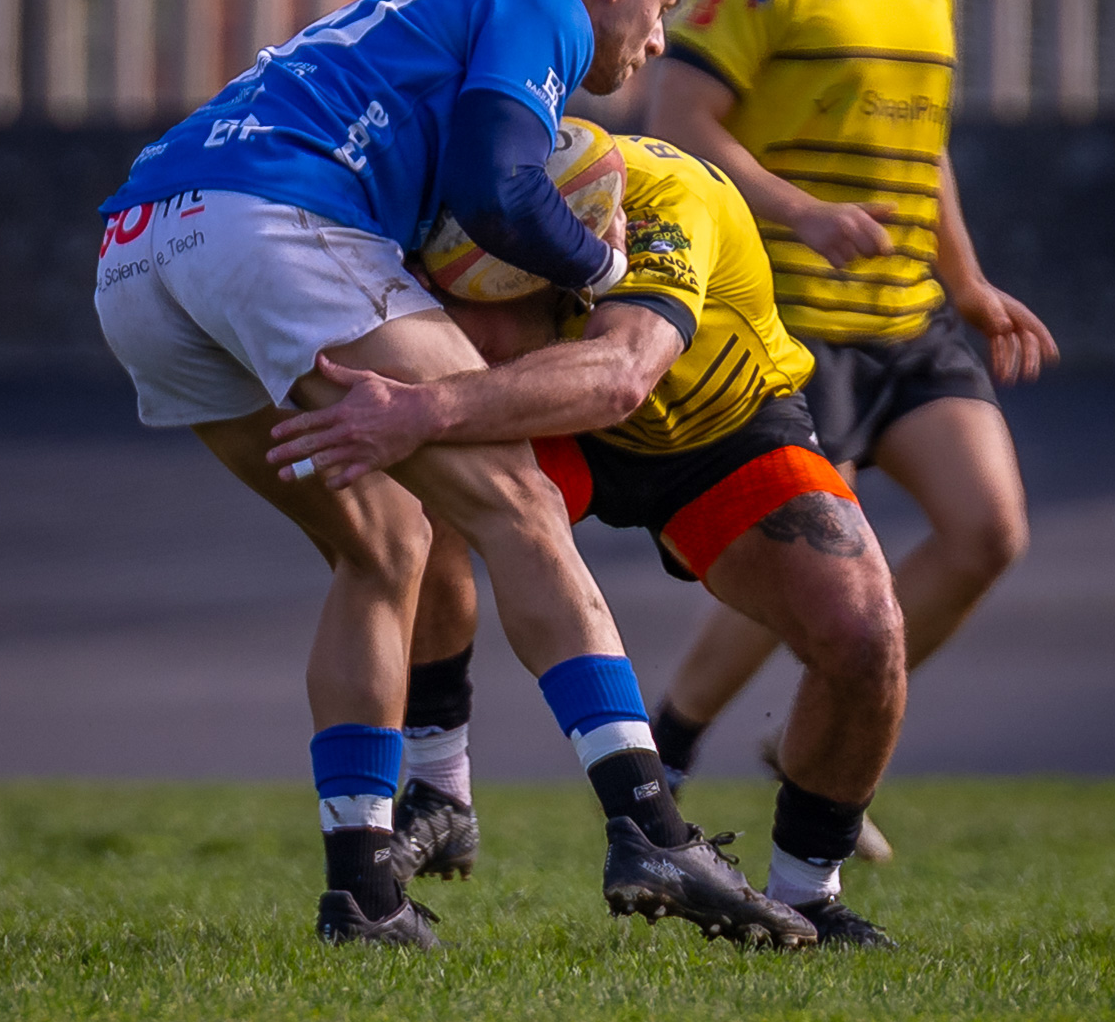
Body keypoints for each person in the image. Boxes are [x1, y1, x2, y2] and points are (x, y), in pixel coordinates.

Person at [95, 0, 813, 955]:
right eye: (660, 9)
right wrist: (600, 261)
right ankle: (650, 826)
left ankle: (363, 896)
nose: (655, 42)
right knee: (518, 502)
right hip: (273, 226)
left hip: (138, 248)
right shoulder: (537, 1)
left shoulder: (431, 1)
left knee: (383, 547)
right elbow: (500, 190)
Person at [267, 129, 909, 947]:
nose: (458, 330)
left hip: (713, 431)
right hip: (553, 422)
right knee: (408, 513)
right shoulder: (449, 184)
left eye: (472, 307)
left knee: (863, 633)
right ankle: (440, 785)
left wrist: (425, 407)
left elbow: (618, 377)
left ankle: (808, 895)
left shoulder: (657, 204)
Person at [639, 0, 1058, 831]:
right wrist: (802, 213)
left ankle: (802, 734)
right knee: (809, 570)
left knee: (986, 533)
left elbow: (924, 153)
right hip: (789, 325)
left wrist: (964, 282)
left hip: (907, 321)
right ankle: (672, 743)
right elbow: (674, 127)